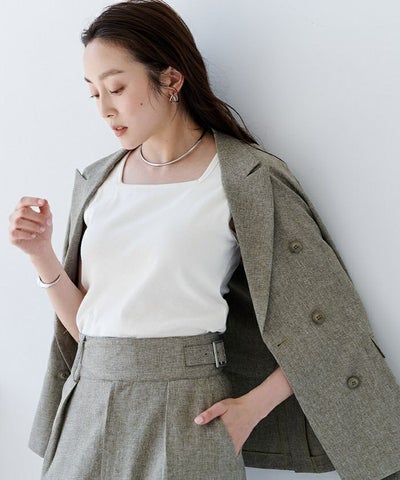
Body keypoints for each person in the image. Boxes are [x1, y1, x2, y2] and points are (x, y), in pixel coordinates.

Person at [8, 1, 400, 479]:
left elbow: (328, 319)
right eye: (93, 93)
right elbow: (90, 330)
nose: (104, 108)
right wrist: (41, 255)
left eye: (116, 87)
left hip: (187, 413)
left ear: (171, 79)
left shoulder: (245, 178)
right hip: (86, 411)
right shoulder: (98, 181)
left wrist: (253, 407)